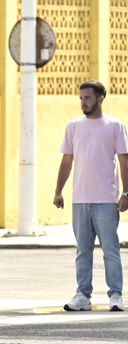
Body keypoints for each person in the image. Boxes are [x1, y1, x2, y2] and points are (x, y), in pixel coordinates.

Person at [54, 79, 128, 311]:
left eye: (87, 98)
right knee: (82, 251)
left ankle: (115, 295)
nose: (83, 102)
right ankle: (83, 296)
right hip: (80, 200)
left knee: (110, 251)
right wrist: (58, 191)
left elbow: (124, 161)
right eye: (81, 98)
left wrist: (126, 193)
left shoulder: (115, 126)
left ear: (100, 98)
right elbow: (67, 161)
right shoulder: (74, 126)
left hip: (107, 200)